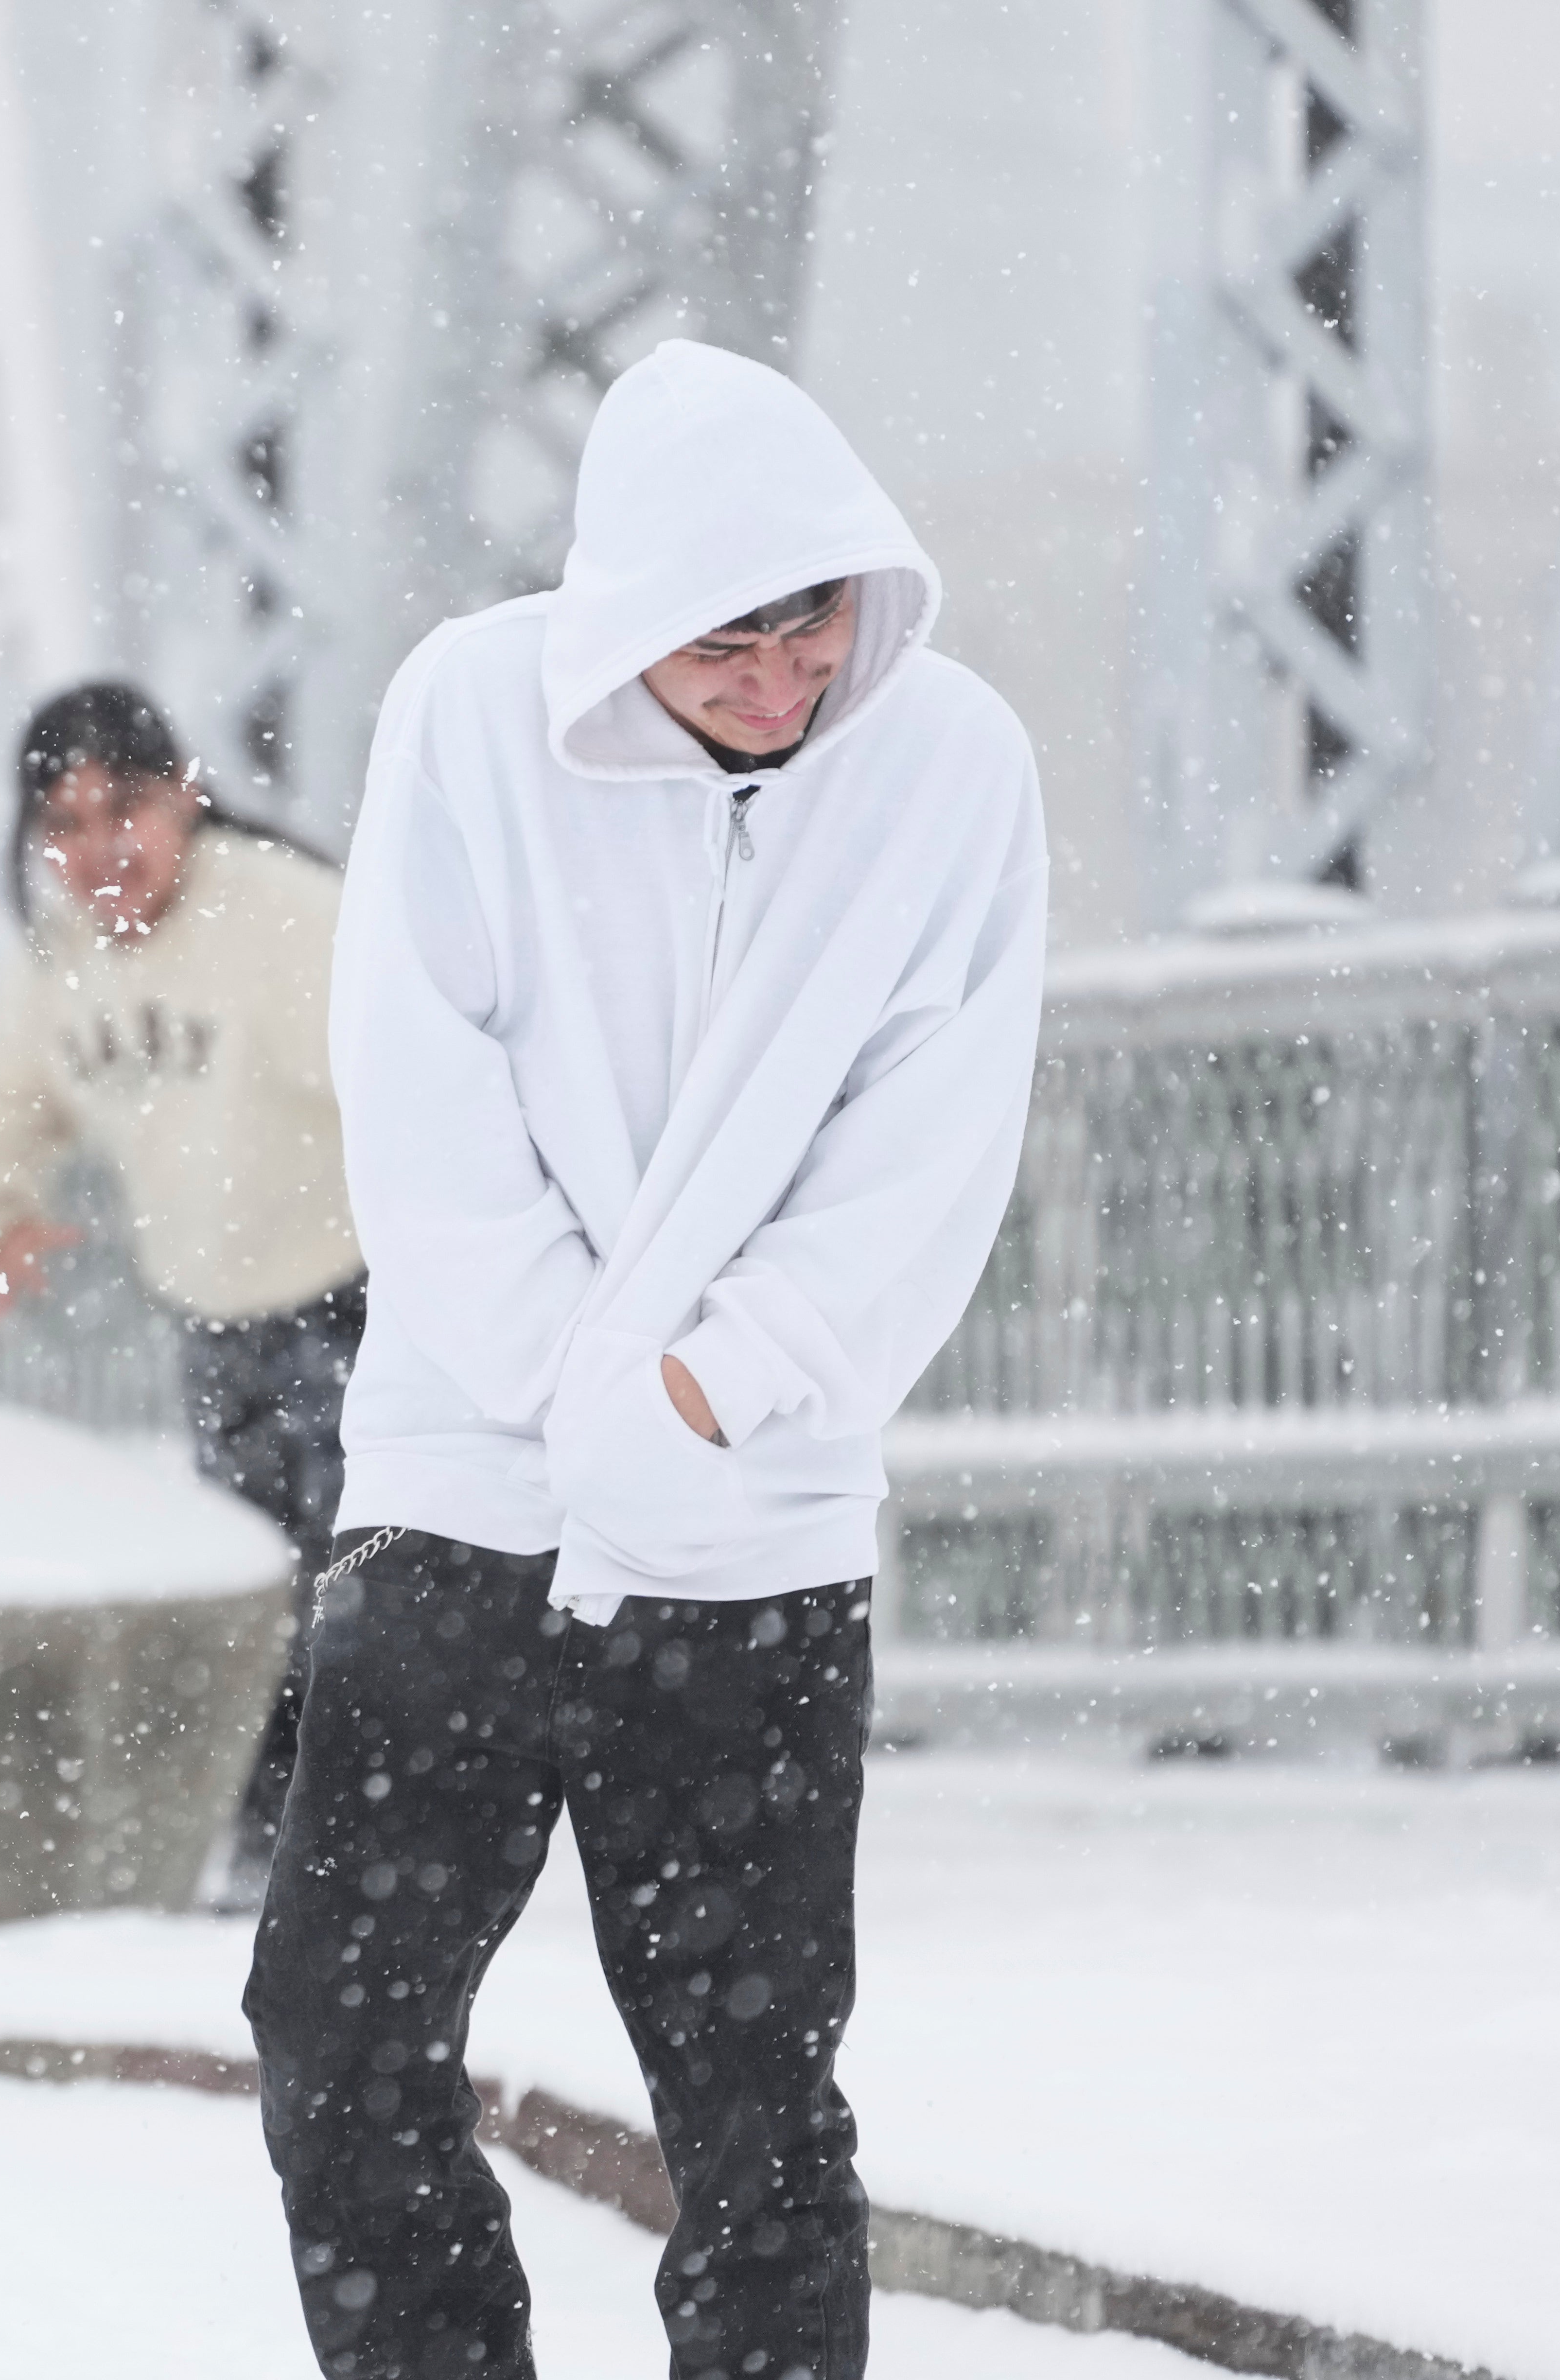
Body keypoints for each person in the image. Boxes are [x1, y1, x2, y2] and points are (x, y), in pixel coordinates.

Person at [247, 341, 1045, 2380]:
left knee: (757, 2097)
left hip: (753, 1523)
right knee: (337, 2030)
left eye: (817, 620)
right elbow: (417, 1094)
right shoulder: (469, 717)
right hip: (461, 1497)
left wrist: (715, 1389)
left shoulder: (953, 766)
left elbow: (930, 1146)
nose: (783, 674)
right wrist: (574, 1385)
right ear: (626, 624)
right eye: (727, 636)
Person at [0, 681, 364, 1907]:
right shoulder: (58, 966)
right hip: (215, 1315)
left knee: (362, 1581)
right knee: (251, 1583)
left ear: (186, 798)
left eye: (124, 811)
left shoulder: (288, 917)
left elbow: (433, 1076)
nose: (96, 852)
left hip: (362, 1293)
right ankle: (274, 1836)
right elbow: (2, 1107)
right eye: (61, 827)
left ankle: (359, 1837)